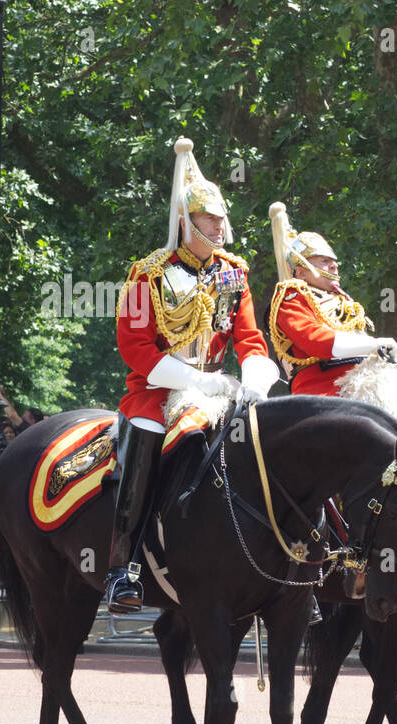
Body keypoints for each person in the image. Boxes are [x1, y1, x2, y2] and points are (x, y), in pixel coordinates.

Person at [107, 137, 278, 614]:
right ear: (186, 221)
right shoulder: (147, 274)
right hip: (157, 392)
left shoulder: (234, 274)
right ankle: (123, 568)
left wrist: (257, 383)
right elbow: (134, 347)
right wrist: (194, 381)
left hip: (222, 389)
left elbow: (250, 338)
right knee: (147, 435)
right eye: (210, 219)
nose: (221, 227)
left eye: (222, 218)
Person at [265, 202, 397, 394]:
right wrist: (374, 345)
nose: (334, 267)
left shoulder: (345, 303)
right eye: (324, 261)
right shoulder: (290, 299)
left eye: (334, 262)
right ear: (300, 273)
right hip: (323, 387)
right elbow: (317, 341)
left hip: (367, 379)